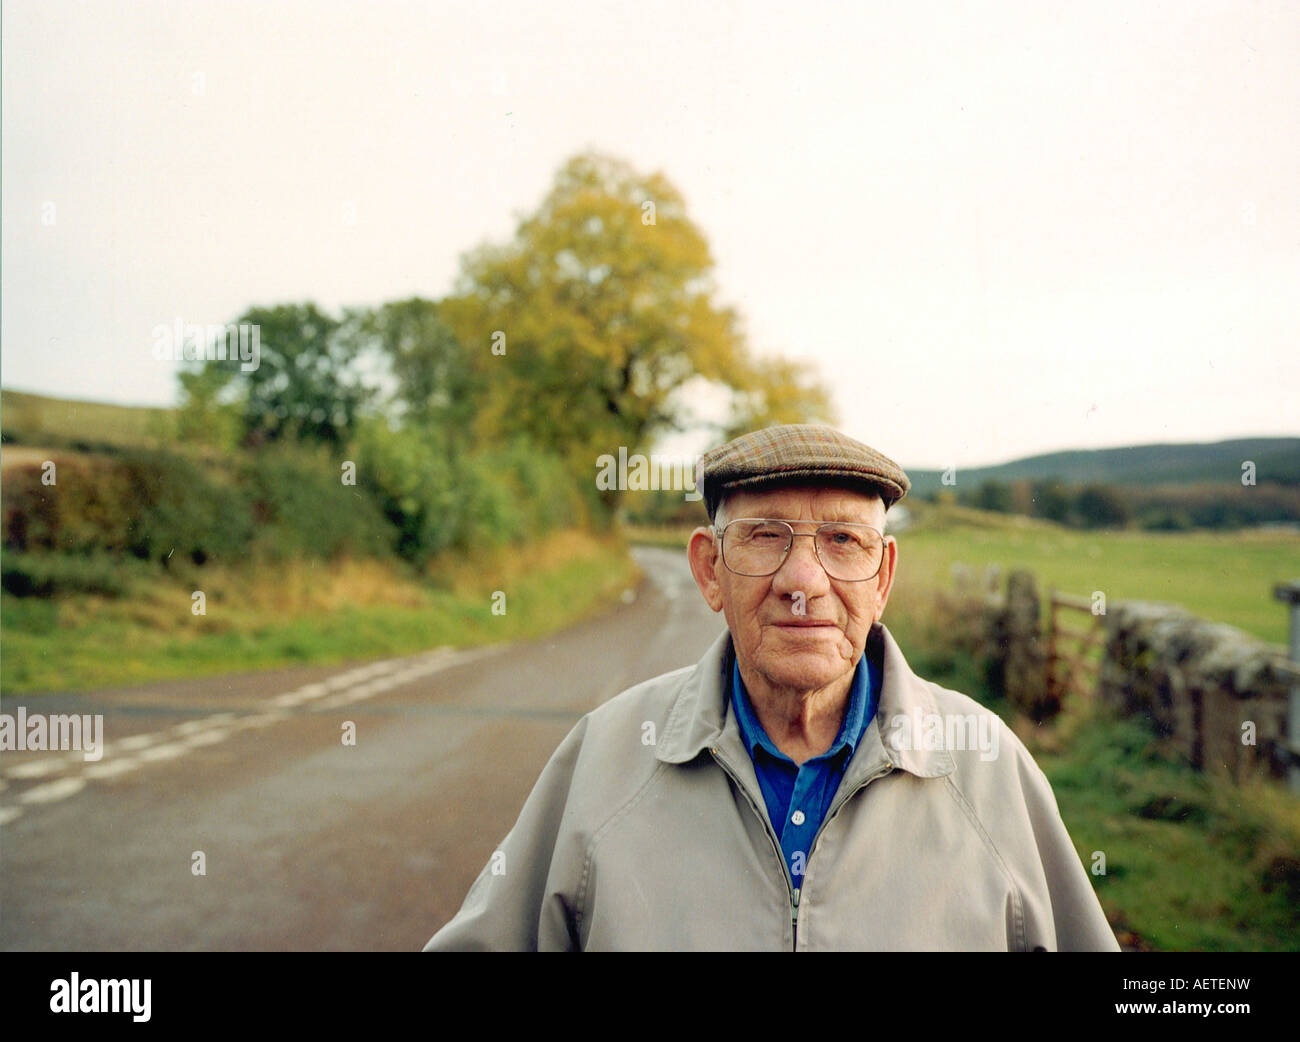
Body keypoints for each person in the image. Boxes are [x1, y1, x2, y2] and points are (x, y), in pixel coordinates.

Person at [423, 424, 1119, 951]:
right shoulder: (607, 755)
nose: (803, 582)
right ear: (709, 569)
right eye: (765, 537)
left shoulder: (986, 766)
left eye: (843, 542)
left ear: (883, 578)